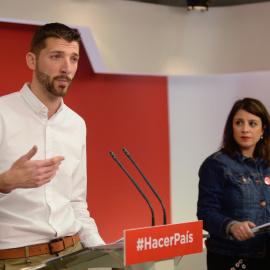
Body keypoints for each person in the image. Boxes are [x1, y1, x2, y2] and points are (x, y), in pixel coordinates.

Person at [0, 22, 106, 269]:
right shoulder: (2, 114)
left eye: (74, 58)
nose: (66, 68)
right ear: (31, 60)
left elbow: (76, 202)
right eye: (56, 56)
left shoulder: (76, 124)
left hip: (74, 254)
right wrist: (4, 182)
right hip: (17, 259)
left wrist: (103, 251)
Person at [197, 97, 270, 270]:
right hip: (231, 256)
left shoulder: (268, 165)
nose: (245, 129)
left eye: (252, 123)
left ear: (263, 129)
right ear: (232, 127)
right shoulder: (216, 164)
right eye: (239, 123)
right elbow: (206, 213)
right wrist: (232, 226)